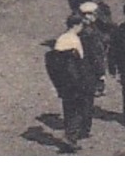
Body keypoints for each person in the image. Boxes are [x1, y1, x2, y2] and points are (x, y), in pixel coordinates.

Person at [46, 14, 91, 150]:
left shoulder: (61, 39)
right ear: (76, 25)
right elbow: (80, 60)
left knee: (69, 109)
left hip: (63, 81)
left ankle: (71, 136)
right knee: (77, 109)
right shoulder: (74, 40)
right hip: (75, 80)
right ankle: (71, 139)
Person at [78, 1, 107, 98]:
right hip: (91, 64)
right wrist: (101, 71)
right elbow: (95, 53)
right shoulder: (90, 32)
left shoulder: (83, 29)